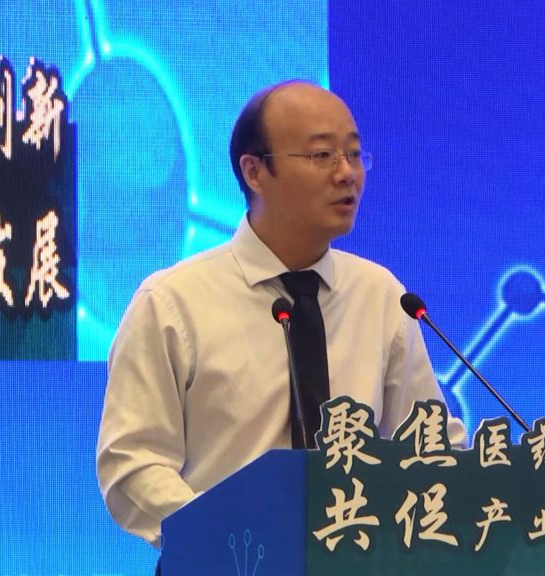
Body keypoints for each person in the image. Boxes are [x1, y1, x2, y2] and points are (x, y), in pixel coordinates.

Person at [96, 80, 466, 550]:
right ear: (254, 171)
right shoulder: (172, 302)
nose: (347, 174)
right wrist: (224, 539)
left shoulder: (381, 296)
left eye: (354, 155)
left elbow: (431, 447)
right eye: (321, 155)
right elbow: (133, 463)